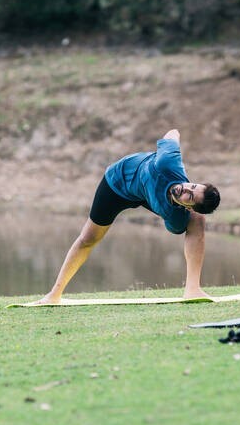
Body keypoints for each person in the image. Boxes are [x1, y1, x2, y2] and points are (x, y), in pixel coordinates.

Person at [36, 129, 220, 304]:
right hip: (119, 181)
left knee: (198, 221)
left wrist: (187, 217)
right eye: (193, 186)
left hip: (147, 196)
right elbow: (173, 132)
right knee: (88, 238)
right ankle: (54, 294)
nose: (186, 189)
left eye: (190, 196)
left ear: (190, 207)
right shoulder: (168, 162)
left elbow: (178, 227)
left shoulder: (176, 215)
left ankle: (192, 289)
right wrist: (173, 143)